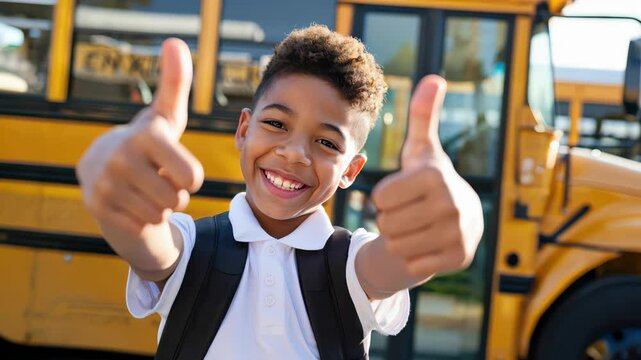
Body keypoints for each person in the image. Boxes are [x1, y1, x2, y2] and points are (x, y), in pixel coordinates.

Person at [76, 25, 484, 359]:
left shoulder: (351, 266)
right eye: (276, 124)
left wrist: (463, 215)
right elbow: (150, 246)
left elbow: (401, 259)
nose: (294, 154)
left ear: (351, 171)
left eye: (327, 143)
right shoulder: (191, 245)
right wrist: (118, 208)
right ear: (243, 129)